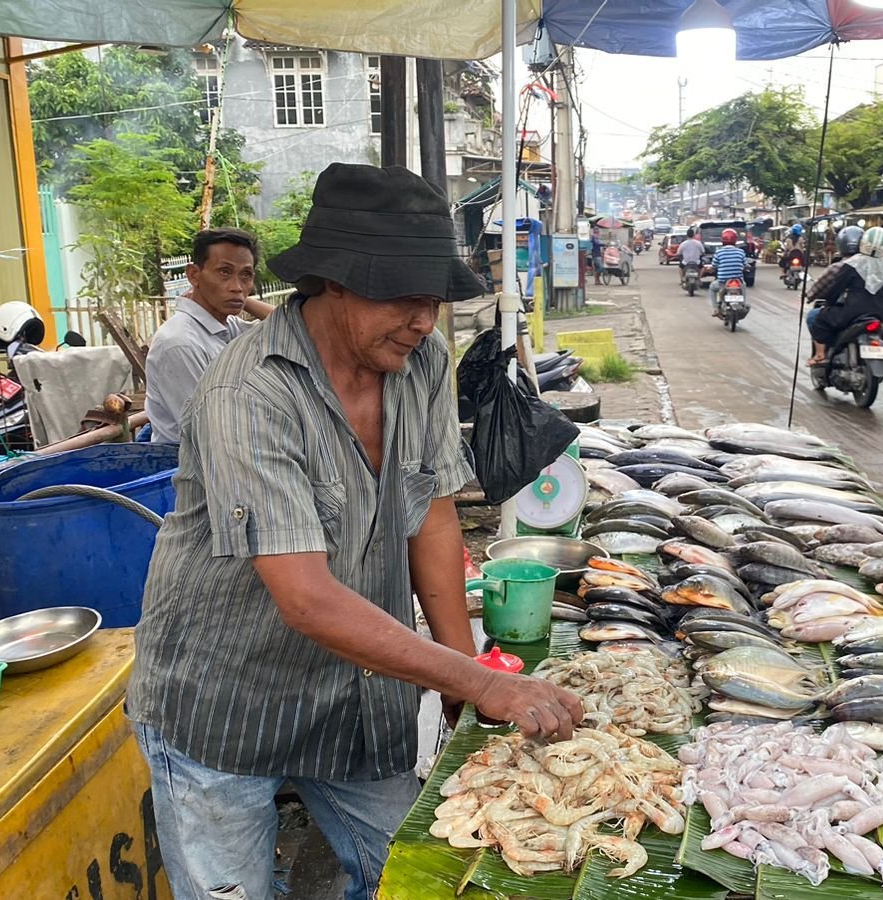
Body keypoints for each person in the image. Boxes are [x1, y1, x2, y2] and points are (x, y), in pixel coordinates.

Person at [126, 164, 584, 900]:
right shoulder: (248, 393)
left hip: (352, 698)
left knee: (425, 874)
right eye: (402, 296)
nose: (424, 320)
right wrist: (473, 681)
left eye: (432, 298)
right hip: (221, 705)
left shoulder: (420, 361)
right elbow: (306, 599)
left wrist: (465, 683)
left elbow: (430, 514)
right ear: (332, 283)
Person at [145, 228, 279, 444]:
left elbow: (288, 325)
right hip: (191, 468)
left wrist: (241, 299)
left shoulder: (227, 325)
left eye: (246, 275)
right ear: (194, 275)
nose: (237, 286)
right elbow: (210, 432)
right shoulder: (181, 343)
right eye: (224, 272)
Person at [806, 225, 883, 365]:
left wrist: (829, 304)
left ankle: (820, 355)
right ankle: (882, 352)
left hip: (852, 312)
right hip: (881, 314)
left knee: (819, 319)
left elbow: (836, 289)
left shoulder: (852, 264)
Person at [710, 228, 747, 314]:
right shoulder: (740, 252)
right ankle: (743, 305)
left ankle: (715, 308)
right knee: (743, 287)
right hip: (738, 280)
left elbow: (714, 265)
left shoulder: (719, 252)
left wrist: (712, 269)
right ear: (735, 240)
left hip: (723, 281)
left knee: (712, 288)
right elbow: (745, 264)